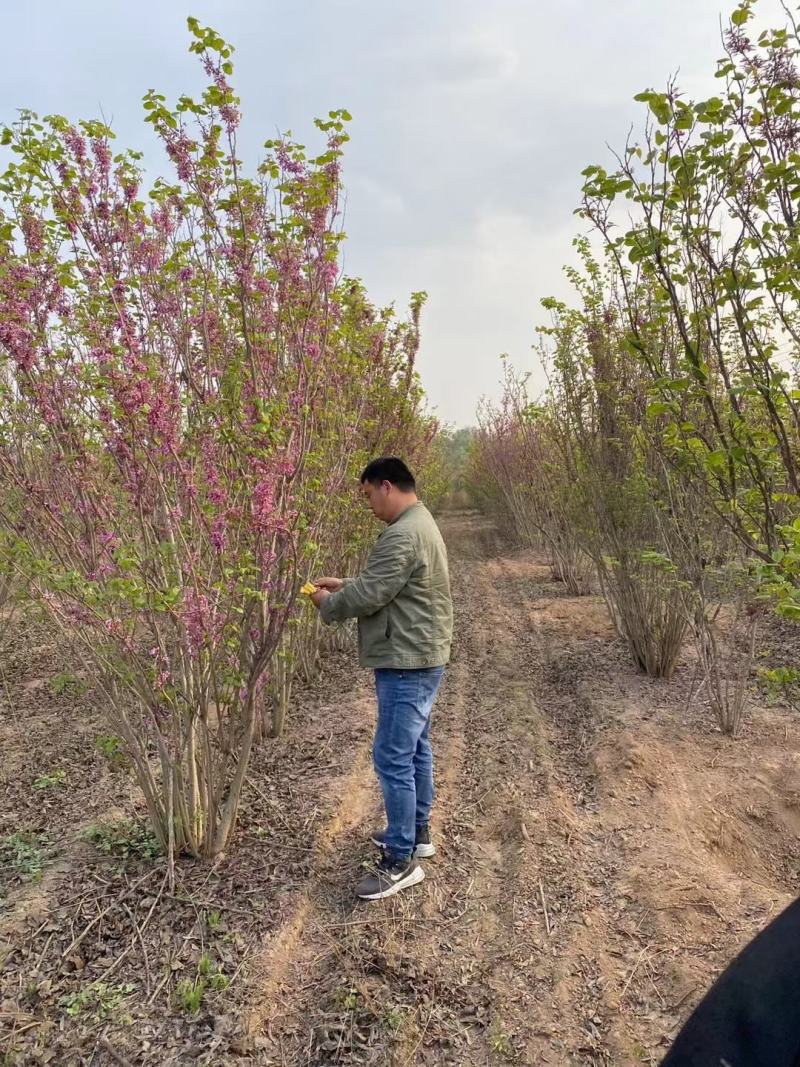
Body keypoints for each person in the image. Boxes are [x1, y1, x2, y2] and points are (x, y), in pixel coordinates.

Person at [309, 456, 453, 901]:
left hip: (407, 661)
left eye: (369, 495)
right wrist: (346, 581)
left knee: (392, 756)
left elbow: (373, 592)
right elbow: (387, 582)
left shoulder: (402, 534)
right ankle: (416, 833)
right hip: (423, 653)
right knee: (415, 749)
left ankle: (399, 861)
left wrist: (327, 602)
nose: (370, 505)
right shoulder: (420, 523)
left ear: (386, 486)